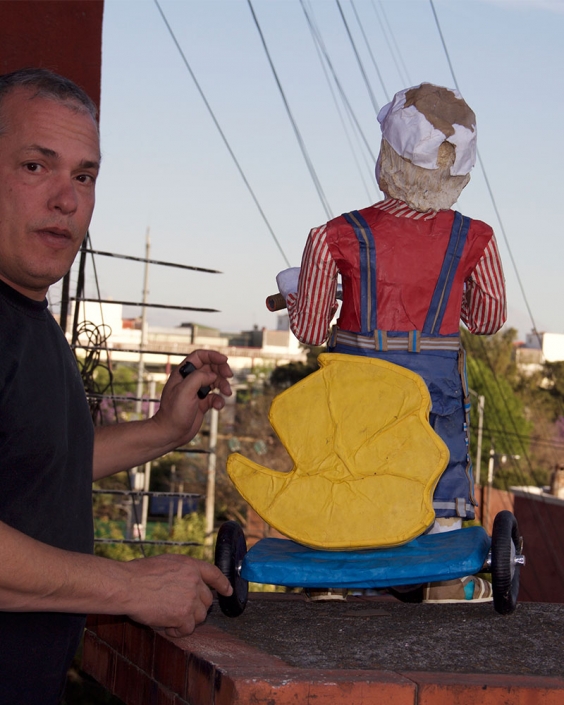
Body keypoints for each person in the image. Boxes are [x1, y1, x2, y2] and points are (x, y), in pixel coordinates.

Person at [0, 67, 233, 704]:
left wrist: (165, 430)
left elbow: (33, 462)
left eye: (84, 176)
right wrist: (130, 587)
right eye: (33, 166)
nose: (67, 199)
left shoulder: (27, 316)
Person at [277, 83, 506, 603]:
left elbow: (312, 330)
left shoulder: (332, 235)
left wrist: (297, 294)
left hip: (358, 387)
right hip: (436, 385)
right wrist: (455, 296)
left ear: (388, 156)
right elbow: (489, 318)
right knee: (438, 462)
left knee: (350, 459)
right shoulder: (477, 238)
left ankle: (338, 565)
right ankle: (447, 569)